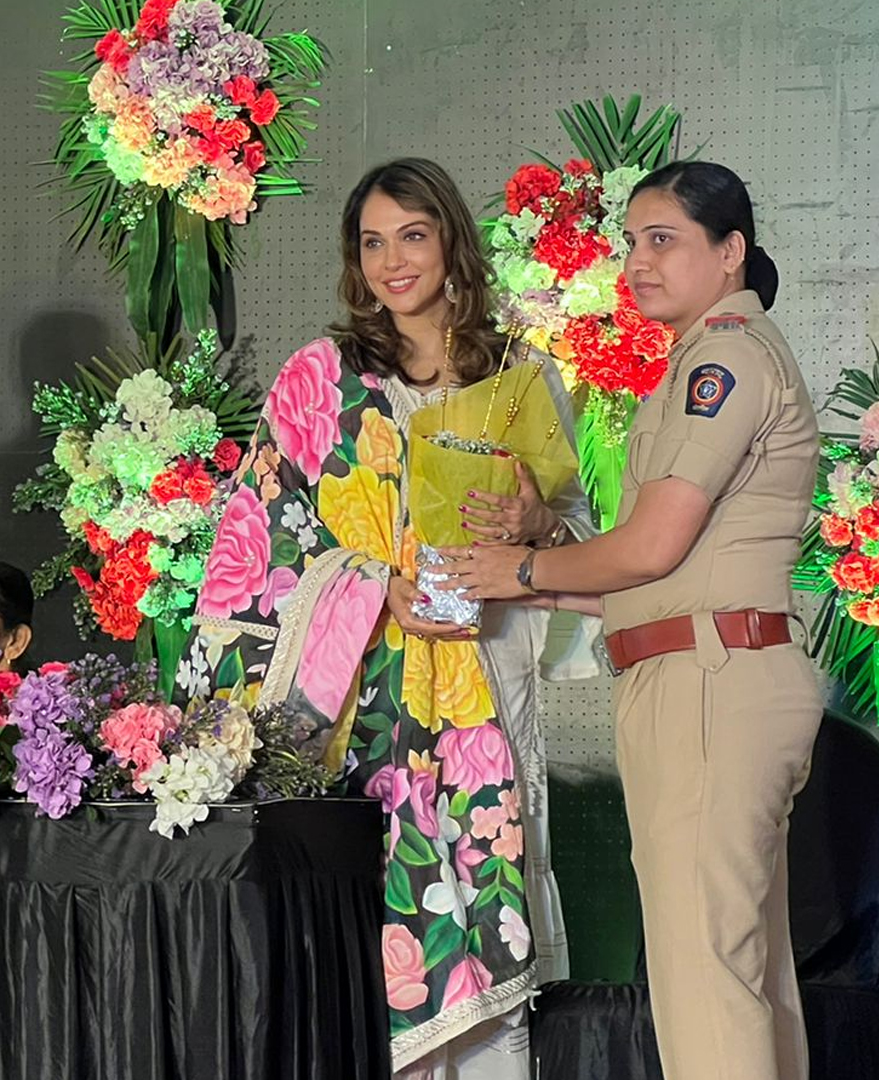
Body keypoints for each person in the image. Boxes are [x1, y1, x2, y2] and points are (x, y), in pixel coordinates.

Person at [182, 159, 592, 1078]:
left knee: (489, 911)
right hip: (354, 710)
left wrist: (538, 526)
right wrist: (372, 585)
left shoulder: (521, 380)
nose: (392, 261)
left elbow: (581, 543)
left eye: (412, 235)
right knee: (372, 935)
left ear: (450, 241)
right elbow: (256, 545)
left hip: (486, 685)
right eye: (372, 241)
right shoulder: (319, 380)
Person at [444, 161, 820, 1080]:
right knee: (743, 975)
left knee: (705, 978)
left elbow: (650, 548)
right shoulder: (710, 355)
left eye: (665, 241)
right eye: (631, 244)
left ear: (731, 253)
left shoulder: (723, 359)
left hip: (708, 688)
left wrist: (522, 565)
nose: (638, 263)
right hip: (712, 668)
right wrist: (530, 569)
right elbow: (653, 579)